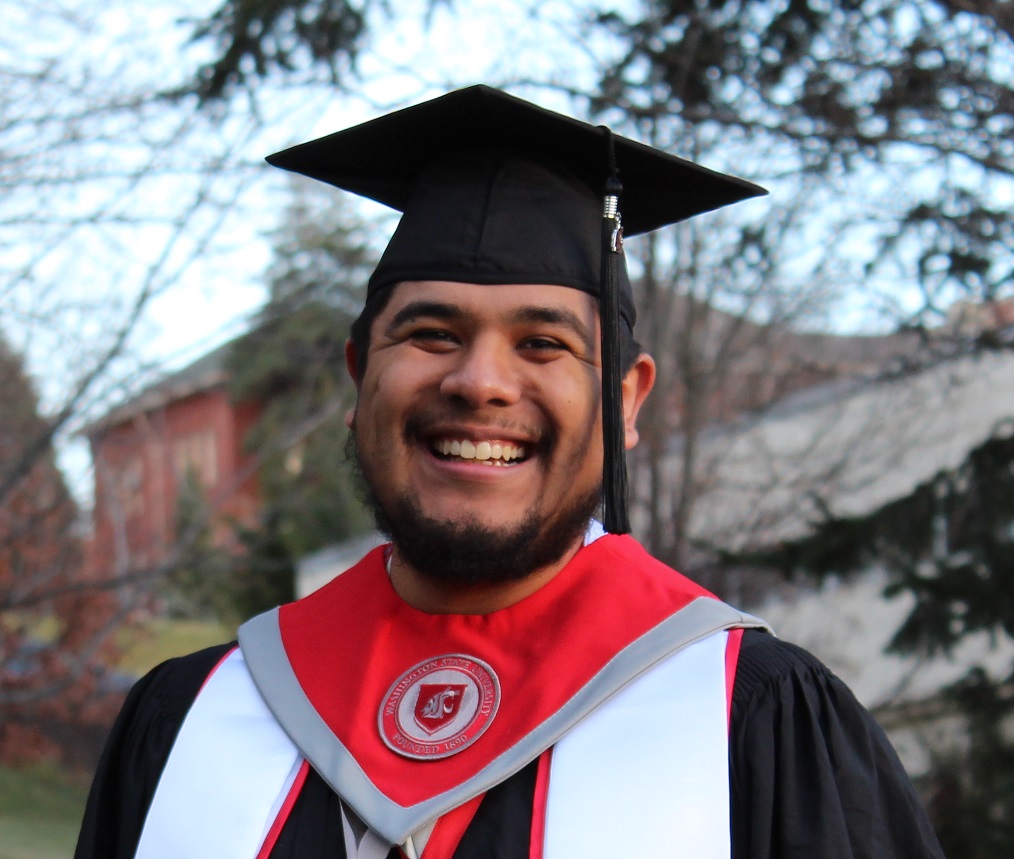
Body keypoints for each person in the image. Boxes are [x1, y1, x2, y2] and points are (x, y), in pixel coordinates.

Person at [75, 85, 944, 859]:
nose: (479, 382)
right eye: (431, 335)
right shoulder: (193, 718)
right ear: (357, 377)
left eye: (542, 344)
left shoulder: (753, 720)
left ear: (626, 400)